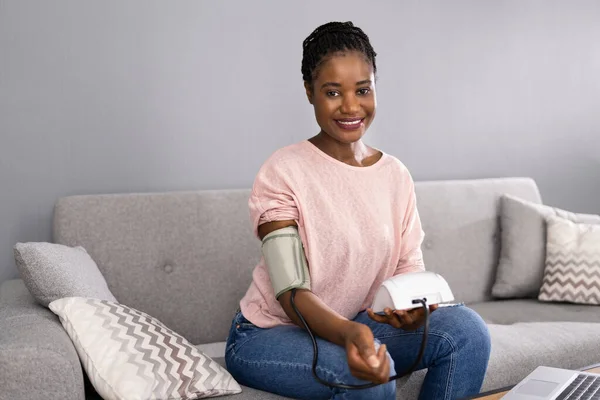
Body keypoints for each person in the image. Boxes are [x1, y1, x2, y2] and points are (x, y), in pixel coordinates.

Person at [225, 21, 491, 400]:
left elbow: (407, 269)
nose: (350, 107)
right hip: (269, 334)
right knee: (370, 378)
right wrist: (353, 334)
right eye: (332, 92)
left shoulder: (395, 174)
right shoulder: (282, 171)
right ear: (309, 92)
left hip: (360, 322)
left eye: (362, 90)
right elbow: (291, 291)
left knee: (467, 332)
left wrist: (412, 308)